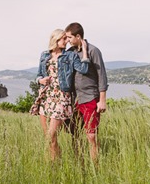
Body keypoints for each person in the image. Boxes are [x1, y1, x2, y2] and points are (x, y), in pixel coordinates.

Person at [30, 28, 89, 160]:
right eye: (64, 39)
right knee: (49, 138)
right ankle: (55, 165)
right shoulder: (44, 55)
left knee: (51, 135)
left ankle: (56, 162)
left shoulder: (70, 56)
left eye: (68, 38)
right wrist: (40, 80)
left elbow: (84, 69)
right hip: (46, 96)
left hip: (62, 97)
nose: (67, 41)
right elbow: (39, 75)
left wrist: (84, 51)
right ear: (56, 40)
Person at [65, 22, 108, 161]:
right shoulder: (70, 53)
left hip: (90, 97)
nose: (67, 41)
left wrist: (102, 100)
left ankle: (95, 165)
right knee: (74, 132)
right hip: (75, 99)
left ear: (78, 36)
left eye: (69, 37)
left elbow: (102, 75)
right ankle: (79, 160)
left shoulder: (93, 50)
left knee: (91, 135)